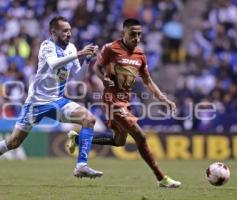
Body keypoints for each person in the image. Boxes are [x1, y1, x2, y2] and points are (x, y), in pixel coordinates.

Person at [0, 16, 103, 187]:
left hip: (57, 101)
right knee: (13, 142)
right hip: (36, 104)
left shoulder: (71, 48)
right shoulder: (46, 46)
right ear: (54, 32)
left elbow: (79, 76)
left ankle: (81, 165)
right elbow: (53, 64)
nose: (69, 34)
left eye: (70, 30)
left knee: (89, 119)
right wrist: (79, 54)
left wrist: (86, 60)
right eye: (65, 30)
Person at [67, 18, 181, 188]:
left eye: (139, 34)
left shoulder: (140, 55)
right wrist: (103, 79)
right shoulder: (111, 48)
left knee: (119, 141)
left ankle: (77, 139)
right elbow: (97, 68)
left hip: (125, 101)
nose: (137, 38)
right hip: (111, 100)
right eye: (133, 34)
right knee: (140, 136)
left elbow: (148, 81)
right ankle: (161, 178)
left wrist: (164, 99)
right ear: (124, 33)